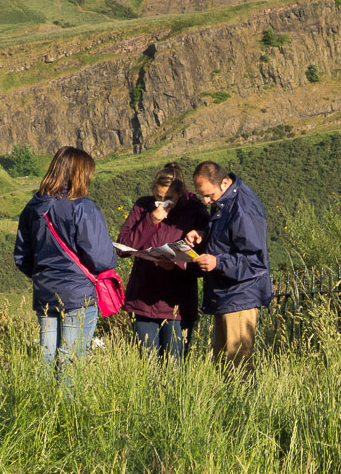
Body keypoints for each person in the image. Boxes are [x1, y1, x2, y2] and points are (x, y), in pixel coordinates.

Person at [14, 146, 118, 381]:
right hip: (77, 294)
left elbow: (22, 256)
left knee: (46, 358)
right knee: (70, 359)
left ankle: (40, 410)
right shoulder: (83, 208)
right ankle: (67, 414)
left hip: (44, 293)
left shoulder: (32, 208)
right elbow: (101, 258)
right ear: (80, 174)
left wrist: (44, 275)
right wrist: (114, 256)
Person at [116, 162, 208, 361]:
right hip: (143, 298)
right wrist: (150, 222)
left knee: (173, 368)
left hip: (177, 304)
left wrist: (178, 266)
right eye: (159, 198)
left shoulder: (195, 212)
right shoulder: (143, 207)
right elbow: (123, 247)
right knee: (148, 366)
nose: (163, 204)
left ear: (181, 193)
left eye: (169, 199)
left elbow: (205, 261)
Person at [186, 161, 273, 370]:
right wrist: (204, 235)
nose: (206, 202)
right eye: (202, 196)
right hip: (226, 293)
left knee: (238, 364)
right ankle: (230, 402)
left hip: (241, 294)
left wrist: (218, 262)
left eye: (209, 195)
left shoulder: (243, 208)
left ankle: (245, 403)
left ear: (225, 183)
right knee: (223, 364)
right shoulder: (225, 201)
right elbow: (229, 240)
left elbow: (255, 260)